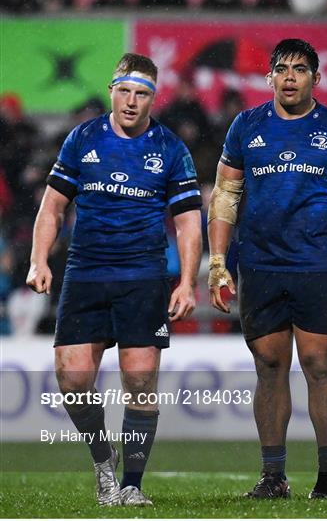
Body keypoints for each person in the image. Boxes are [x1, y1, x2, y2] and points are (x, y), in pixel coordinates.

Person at [26, 53, 202, 507]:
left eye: (141, 94)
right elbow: (52, 206)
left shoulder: (170, 149)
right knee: (72, 378)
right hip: (85, 273)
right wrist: (39, 260)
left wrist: (186, 282)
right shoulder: (82, 139)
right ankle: (104, 465)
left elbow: (186, 222)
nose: (130, 101)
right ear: (111, 89)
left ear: (153, 97)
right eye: (124, 91)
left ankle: (132, 485)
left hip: (142, 277)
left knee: (141, 382)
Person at [207, 39, 327, 499]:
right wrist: (218, 263)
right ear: (270, 78)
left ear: (316, 79)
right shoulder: (246, 126)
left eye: (301, 69)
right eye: (282, 68)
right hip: (259, 266)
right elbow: (225, 197)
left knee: (319, 366)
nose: (291, 76)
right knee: (270, 367)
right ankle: (274, 476)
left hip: (316, 265)